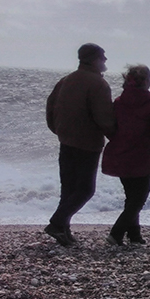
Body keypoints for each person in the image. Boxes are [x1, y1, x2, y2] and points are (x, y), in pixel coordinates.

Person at [45, 43, 117, 246]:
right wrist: (116, 137)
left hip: (66, 140)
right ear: (94, 59)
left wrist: (58, 130)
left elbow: (50, 109)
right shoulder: (98, 84)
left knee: (68, 189)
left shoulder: (65, 80)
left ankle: (63, 231)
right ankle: (57, 223)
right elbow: (104, 118)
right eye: (103, 57)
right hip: (87, 142)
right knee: (85, 189)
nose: (105, 60)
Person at [101, 65, 150, 245]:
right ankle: (116, 234)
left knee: (131, 197)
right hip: (142, 155)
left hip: (119, 153)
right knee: (138, 199)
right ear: (147, 81)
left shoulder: (118, 102)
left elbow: (109, 126)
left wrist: (118, 139)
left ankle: (134, 236)